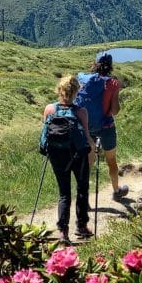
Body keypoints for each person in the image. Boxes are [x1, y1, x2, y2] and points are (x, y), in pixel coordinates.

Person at [41, 75, 94, 244]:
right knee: (82, 189)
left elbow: (45, 135)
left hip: (57, 156)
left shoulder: (50, 109)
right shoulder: (81, 112)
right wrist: (94, 148)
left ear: (59, 90)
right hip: (78, 155)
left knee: (64, 193)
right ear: (76, 92)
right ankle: (81, 227)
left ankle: (63, 232)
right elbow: (86, 137)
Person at [78, 52, 124, 201]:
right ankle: (117, 191)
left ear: (95, 64)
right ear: (110, 66)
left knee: (89, 162)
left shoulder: (83, 79)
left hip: (88, 127)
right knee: (111, 161)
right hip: (106, 127)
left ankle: (83, 198)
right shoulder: (113, 83)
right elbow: (115, 111)